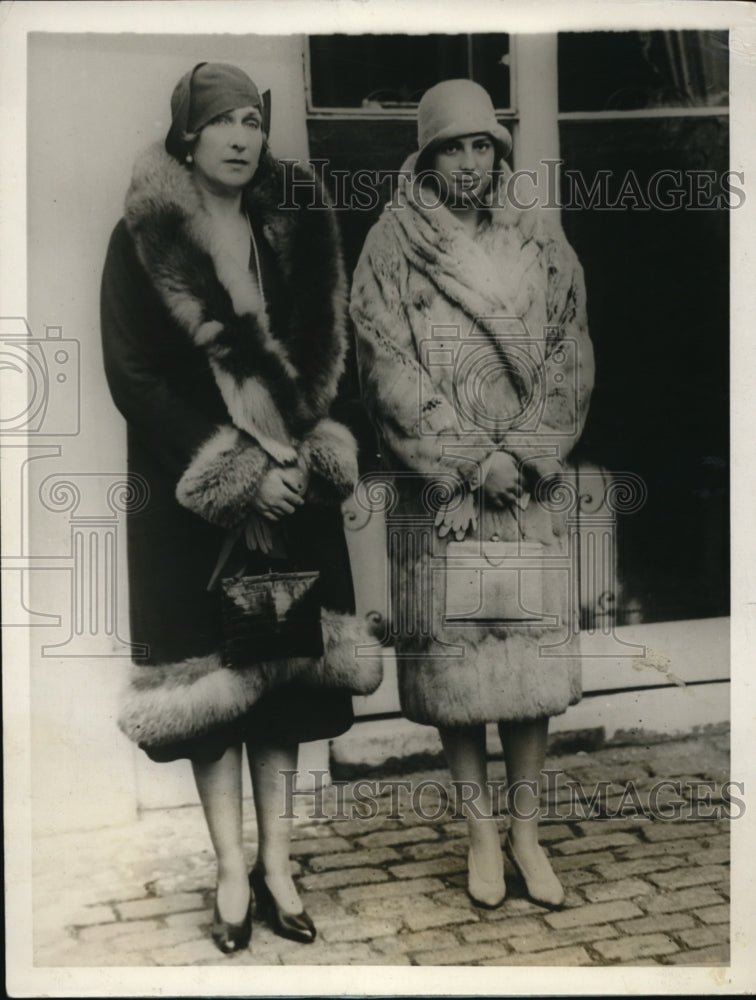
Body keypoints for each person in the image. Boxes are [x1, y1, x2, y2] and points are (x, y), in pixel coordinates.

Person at [101, 62, 380, 954]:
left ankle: (278, 866)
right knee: (215, 685)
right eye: (221, 121)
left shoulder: (294, 229)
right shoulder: (141, 241)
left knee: (284, 674)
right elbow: (135, 378)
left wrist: (308, 458)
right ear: (187, 137)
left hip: (294, 489)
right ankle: (229, 871)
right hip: (196, 501)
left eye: (253, 121)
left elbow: (331, 352)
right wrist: (235, 473)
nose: (241, 137)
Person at [350, 79, 594, 910]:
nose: (468, 162)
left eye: (481, 145)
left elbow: (571, 350)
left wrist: (523, 451)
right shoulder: (391, 243)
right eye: (451, 147)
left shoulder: (540, 236)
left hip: (524, 488)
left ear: (500, 151)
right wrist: (465, 457)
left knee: (525, 669)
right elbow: (384, 367)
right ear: (425, 157)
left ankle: (526, 832)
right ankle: (480, 834)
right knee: (459, 674)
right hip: (446, 494)